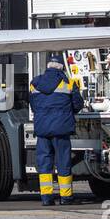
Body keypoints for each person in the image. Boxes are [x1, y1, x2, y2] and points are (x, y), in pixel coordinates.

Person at [29, 54, 83, 207]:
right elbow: (78, 104)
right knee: (63, 161)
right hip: (61, 129)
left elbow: (33, 105)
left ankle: (46, 197)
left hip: (43, 129)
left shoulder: (35, 83)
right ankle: (66, 197)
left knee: (44, 162)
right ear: (61, 67)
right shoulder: (68, 83)